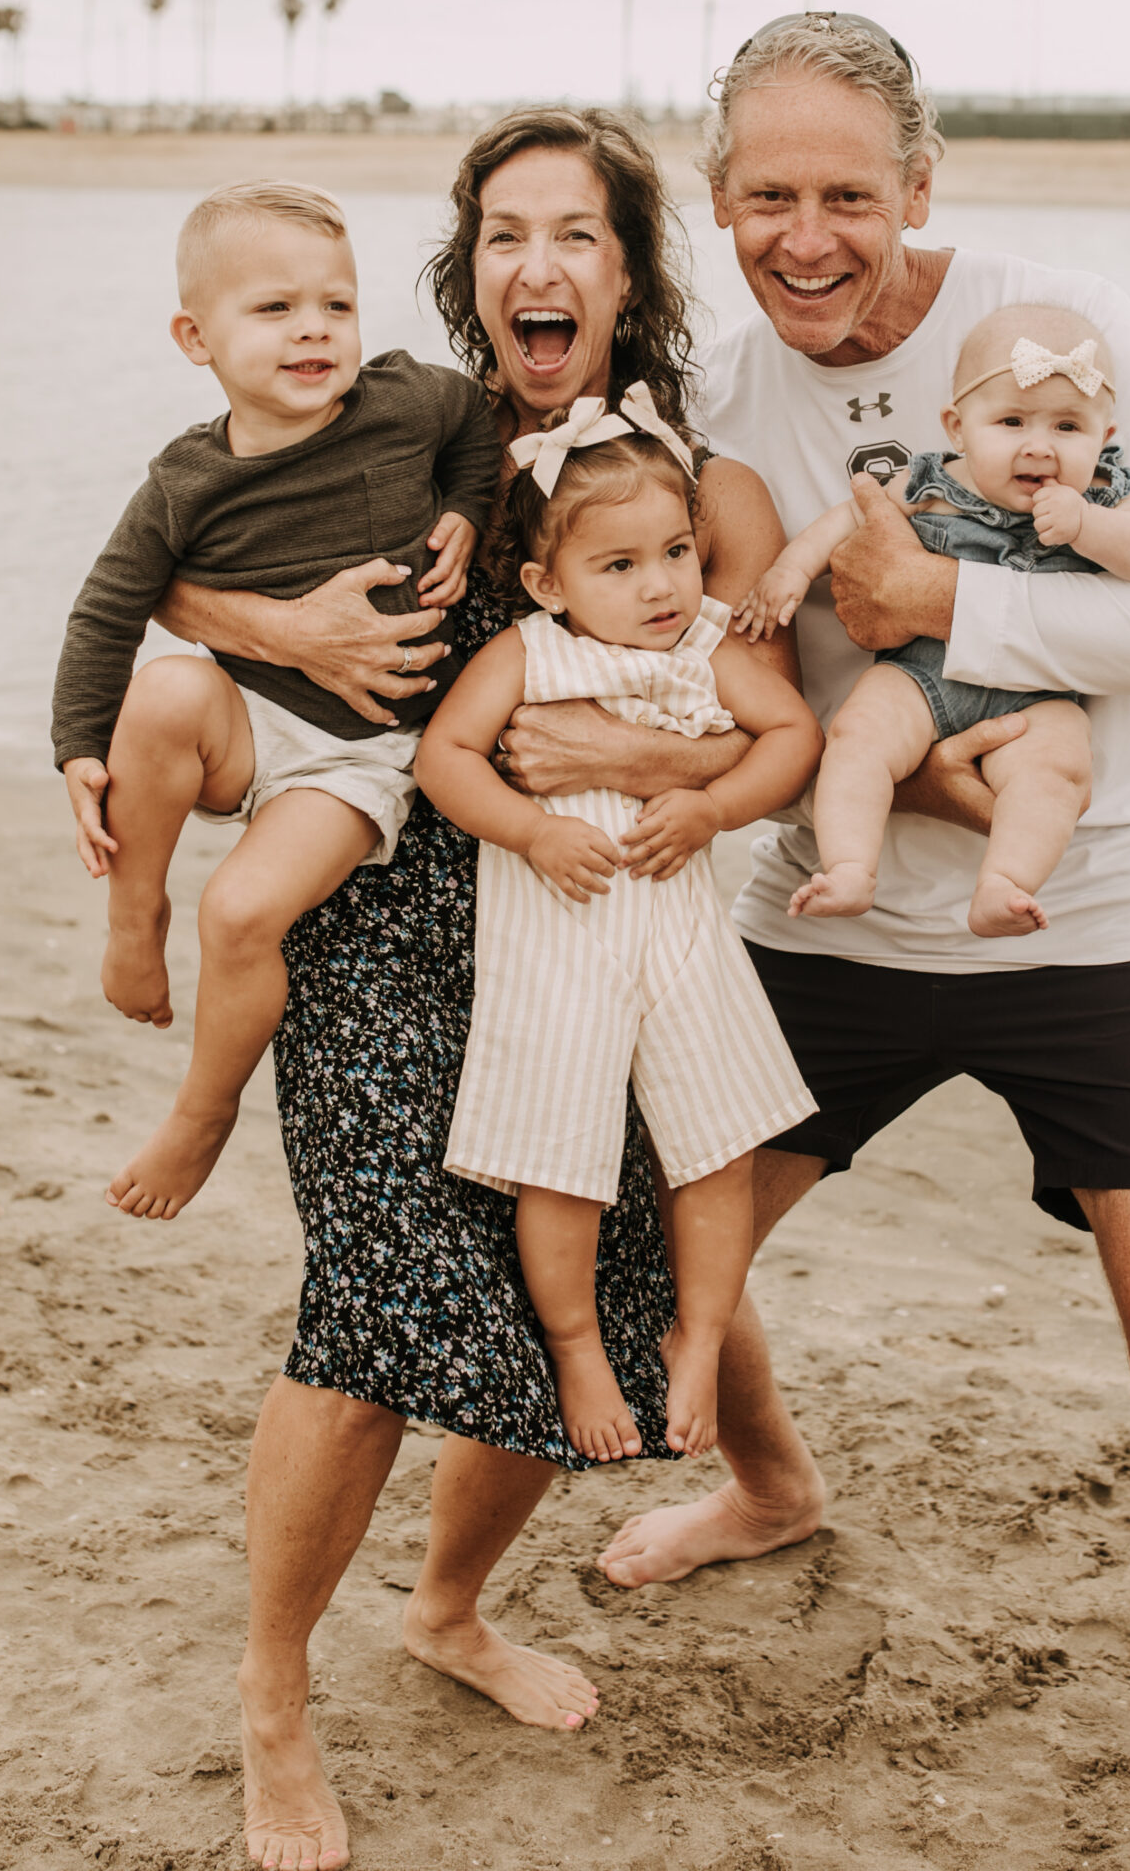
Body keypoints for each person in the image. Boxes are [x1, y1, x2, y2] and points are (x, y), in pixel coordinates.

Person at [594, 14, 1130, 1871]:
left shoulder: (1059, 325)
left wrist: (941, 600)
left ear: (916, 192)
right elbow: (718, 657)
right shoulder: (711, 392)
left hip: (1105, 906)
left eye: (845, 195)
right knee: (637, 1248)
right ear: (714, 207)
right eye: (764, 196)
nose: (804, 235)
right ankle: (771, 1488)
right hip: (835, 904)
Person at [63, 109, 815, 1871]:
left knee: (590, 1294)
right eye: (501, 233)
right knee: (376, 1302)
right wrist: (283, 637)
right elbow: (167, 551)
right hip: (388, 915)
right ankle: (272, 1698)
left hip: (590, 939)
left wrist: (622, 750)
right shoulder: (414, 425)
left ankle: (448, 1608)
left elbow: (796, 721)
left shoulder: (700, 492)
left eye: (575, 234)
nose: (534, 265)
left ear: (632, 270)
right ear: (465, 265)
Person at [51, 178, 501, 1221]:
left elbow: (476, 421)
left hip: (361, 755)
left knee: (244, 909)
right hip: (248, 720)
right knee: (163, 691)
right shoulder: (184, 482)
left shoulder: (403, 402)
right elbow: (104, 613)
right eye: (275, 309)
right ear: (194, 336)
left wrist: (468, 512)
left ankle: (203, 1112)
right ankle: (132, 915)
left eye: (335, 305)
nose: (314, 330)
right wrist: (78, 748)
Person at [418, 396, 821, 1462]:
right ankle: (579, 1341)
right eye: (621, 565)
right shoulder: (523, 654)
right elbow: (443, 758)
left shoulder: (705, 644)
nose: (660, 584)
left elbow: (792, 733)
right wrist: (528, 830)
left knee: (718, 1143)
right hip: (559, 944)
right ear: (551, 584)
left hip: (683, 942)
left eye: (678, 551)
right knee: (561, 1159)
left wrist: (716, 806)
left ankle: (696, 1330)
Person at [738, 301, 1130, 934]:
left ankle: (1005, 883)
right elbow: (846, 521)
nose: (1039, 447)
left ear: (1104, 440)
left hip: (1038, 696)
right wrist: (789, 569)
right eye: (1011, 421)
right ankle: (848, 867)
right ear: (957, 428)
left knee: (1057, 769)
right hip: (920, 675)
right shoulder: (930, 483)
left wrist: (1092, 527)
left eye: (1068, 428)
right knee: (858, 736)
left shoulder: (1106, 496)